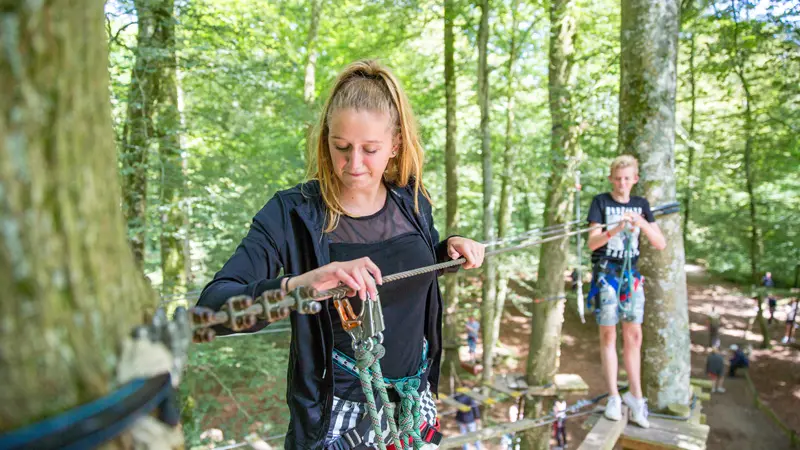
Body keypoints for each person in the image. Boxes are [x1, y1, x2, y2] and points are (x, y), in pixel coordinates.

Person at [197, 60, 486, 449]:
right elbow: (212, 313)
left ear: (396, 144)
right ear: (326, 140)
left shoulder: (412, 200)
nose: (353, 165)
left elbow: (409, 268)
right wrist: (300, 286)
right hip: (337, 419)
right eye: (341, 147)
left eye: (370, 149)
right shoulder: (291, 214)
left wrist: (447, 249)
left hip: (413, 405)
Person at [586, 155, 666, 429]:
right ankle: (613, 397)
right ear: (611, 179)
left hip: (631, 277)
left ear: (635, 179)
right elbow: (592, 243)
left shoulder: (641, 205)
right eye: (617, 179)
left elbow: (660, 242)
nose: (622, 184)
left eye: (627, 179)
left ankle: (636, 396)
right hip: (607, 275)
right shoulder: (600, 202)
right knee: (608, 334)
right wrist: (617, 228)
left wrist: (641, 223)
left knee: (634, 336)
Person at [453, 384, 483, 450]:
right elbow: (475, 408)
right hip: (467, 420)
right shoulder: (467, 398)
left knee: (465, 437)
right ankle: (477, 448)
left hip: (465, 420)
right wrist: (477, 417)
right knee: (472, 436)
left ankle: (475, 447)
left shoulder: (459, 398)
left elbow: (474, 408)